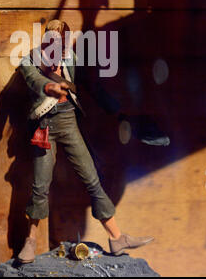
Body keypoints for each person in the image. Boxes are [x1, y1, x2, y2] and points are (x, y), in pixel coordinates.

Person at [16, 19, 156, 264]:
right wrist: (50, 86)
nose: (57, 49)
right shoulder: (31, 60)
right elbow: (34, 81)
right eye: (53, 42)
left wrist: (118, 111)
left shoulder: (69, 59)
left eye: (62, 44)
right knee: (40, 186)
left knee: (92, 179)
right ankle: (30, 240)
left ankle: (116, 237)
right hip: (45, 128)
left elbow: (91, 86)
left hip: (69, 123)